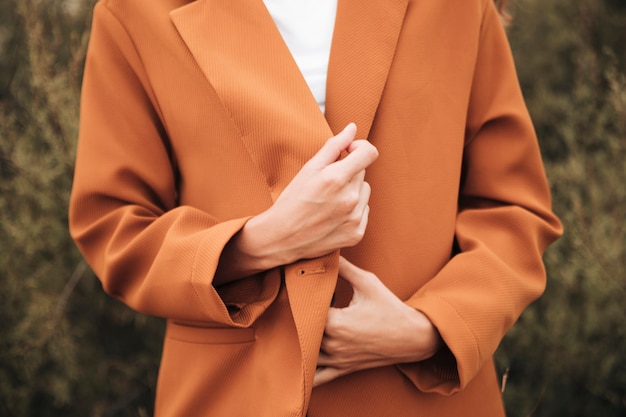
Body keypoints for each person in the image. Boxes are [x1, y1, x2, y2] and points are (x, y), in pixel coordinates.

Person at [69, 0, 562, 415]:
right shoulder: (134, 12)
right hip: (235, 396)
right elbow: (113, 222)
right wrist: (257, 244)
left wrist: (432, 330)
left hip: (419, 398)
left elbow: (513, 208)